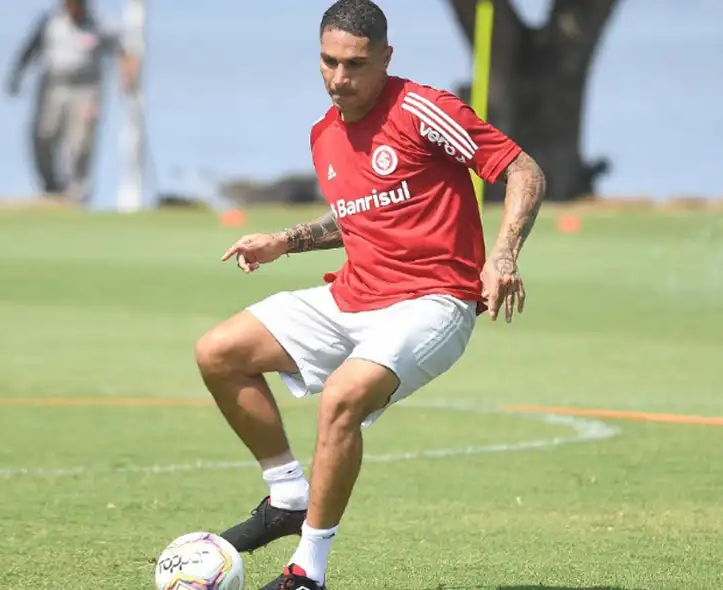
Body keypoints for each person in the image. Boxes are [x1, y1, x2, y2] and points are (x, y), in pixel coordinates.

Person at [196, 1, 546, 588]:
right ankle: (287, 497)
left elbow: (522, 169)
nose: (340, 78)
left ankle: (308, 570)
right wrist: (285, 240)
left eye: (355, 64)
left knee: (341, 398)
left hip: (433, 301)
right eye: (329, 62)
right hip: (353, 295)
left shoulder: (423, 110)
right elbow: (360, 214)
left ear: (385, 58)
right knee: (219, 352)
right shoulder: (324, 134)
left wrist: (504, 255)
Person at [5, 0, 137, 205]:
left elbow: (124, 49)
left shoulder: (99, 24)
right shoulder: (50, 21)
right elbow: (29, 49)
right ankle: (51, 188)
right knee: (43, 135)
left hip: (86, 89)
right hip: (53, 87)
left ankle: (78, 196)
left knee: (80, 143)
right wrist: (16, 76)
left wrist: (127, 75)